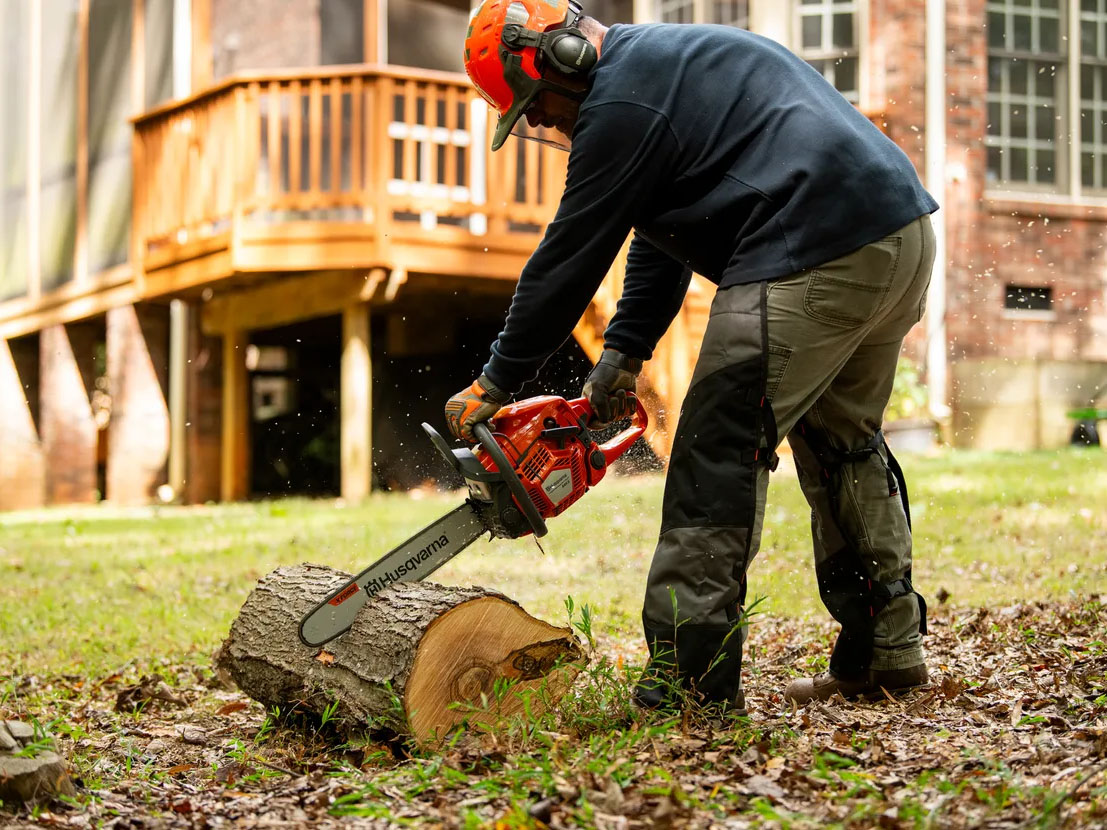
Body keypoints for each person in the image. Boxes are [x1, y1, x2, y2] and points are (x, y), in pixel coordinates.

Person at [445, 0, 937, 713]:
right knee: (842, 446)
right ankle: (887, 651)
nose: (546, 124)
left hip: (808, 248)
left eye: (540, 107)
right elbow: (658, 237)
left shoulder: (621, 102)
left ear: (560, 57)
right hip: (895, 236)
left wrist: (496, 379)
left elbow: (568, 257)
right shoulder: (660, 71)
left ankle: (687, 684)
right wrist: (621, 352)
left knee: (716, 448)